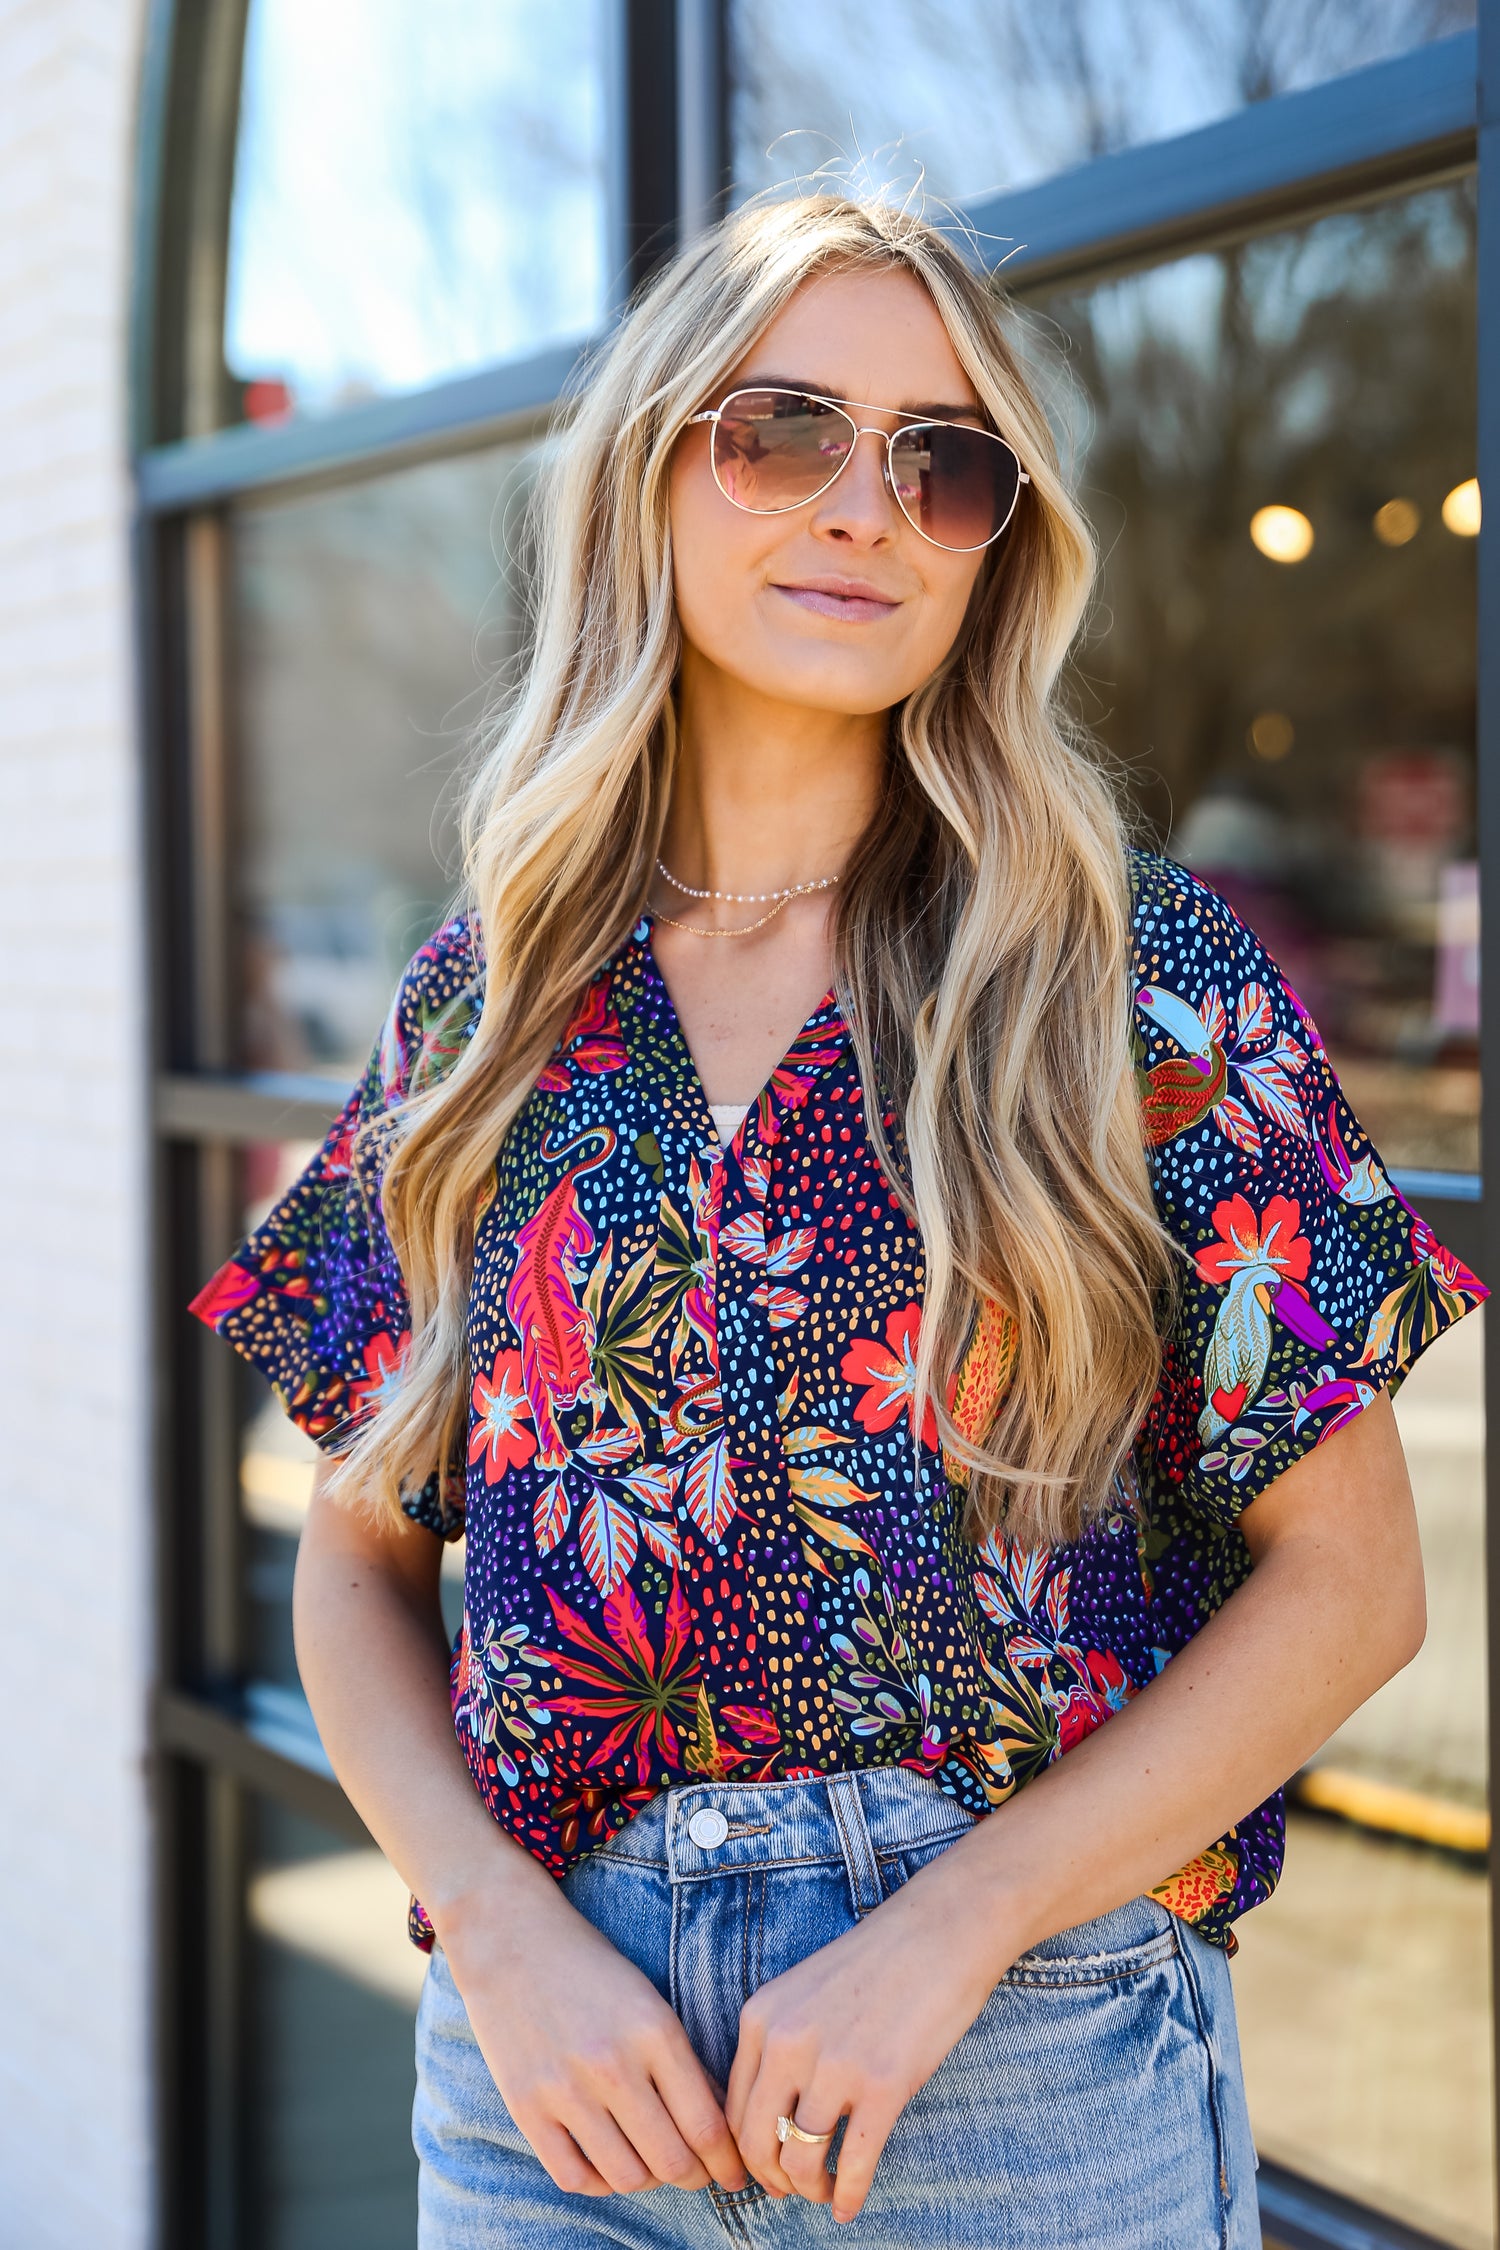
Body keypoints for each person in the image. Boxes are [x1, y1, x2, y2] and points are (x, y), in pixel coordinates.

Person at [192, 194, 1484, 2247]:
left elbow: (1353, 1591)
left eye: (941, 461)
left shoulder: (1128, 975)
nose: (863, 506)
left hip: (1014, 2067)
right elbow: (356, 1549)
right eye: (783, 427)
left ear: (996, 549)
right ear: (653, 471)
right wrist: (501, 1933)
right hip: (559, 2094)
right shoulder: (494, 991)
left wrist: (950, 1933)